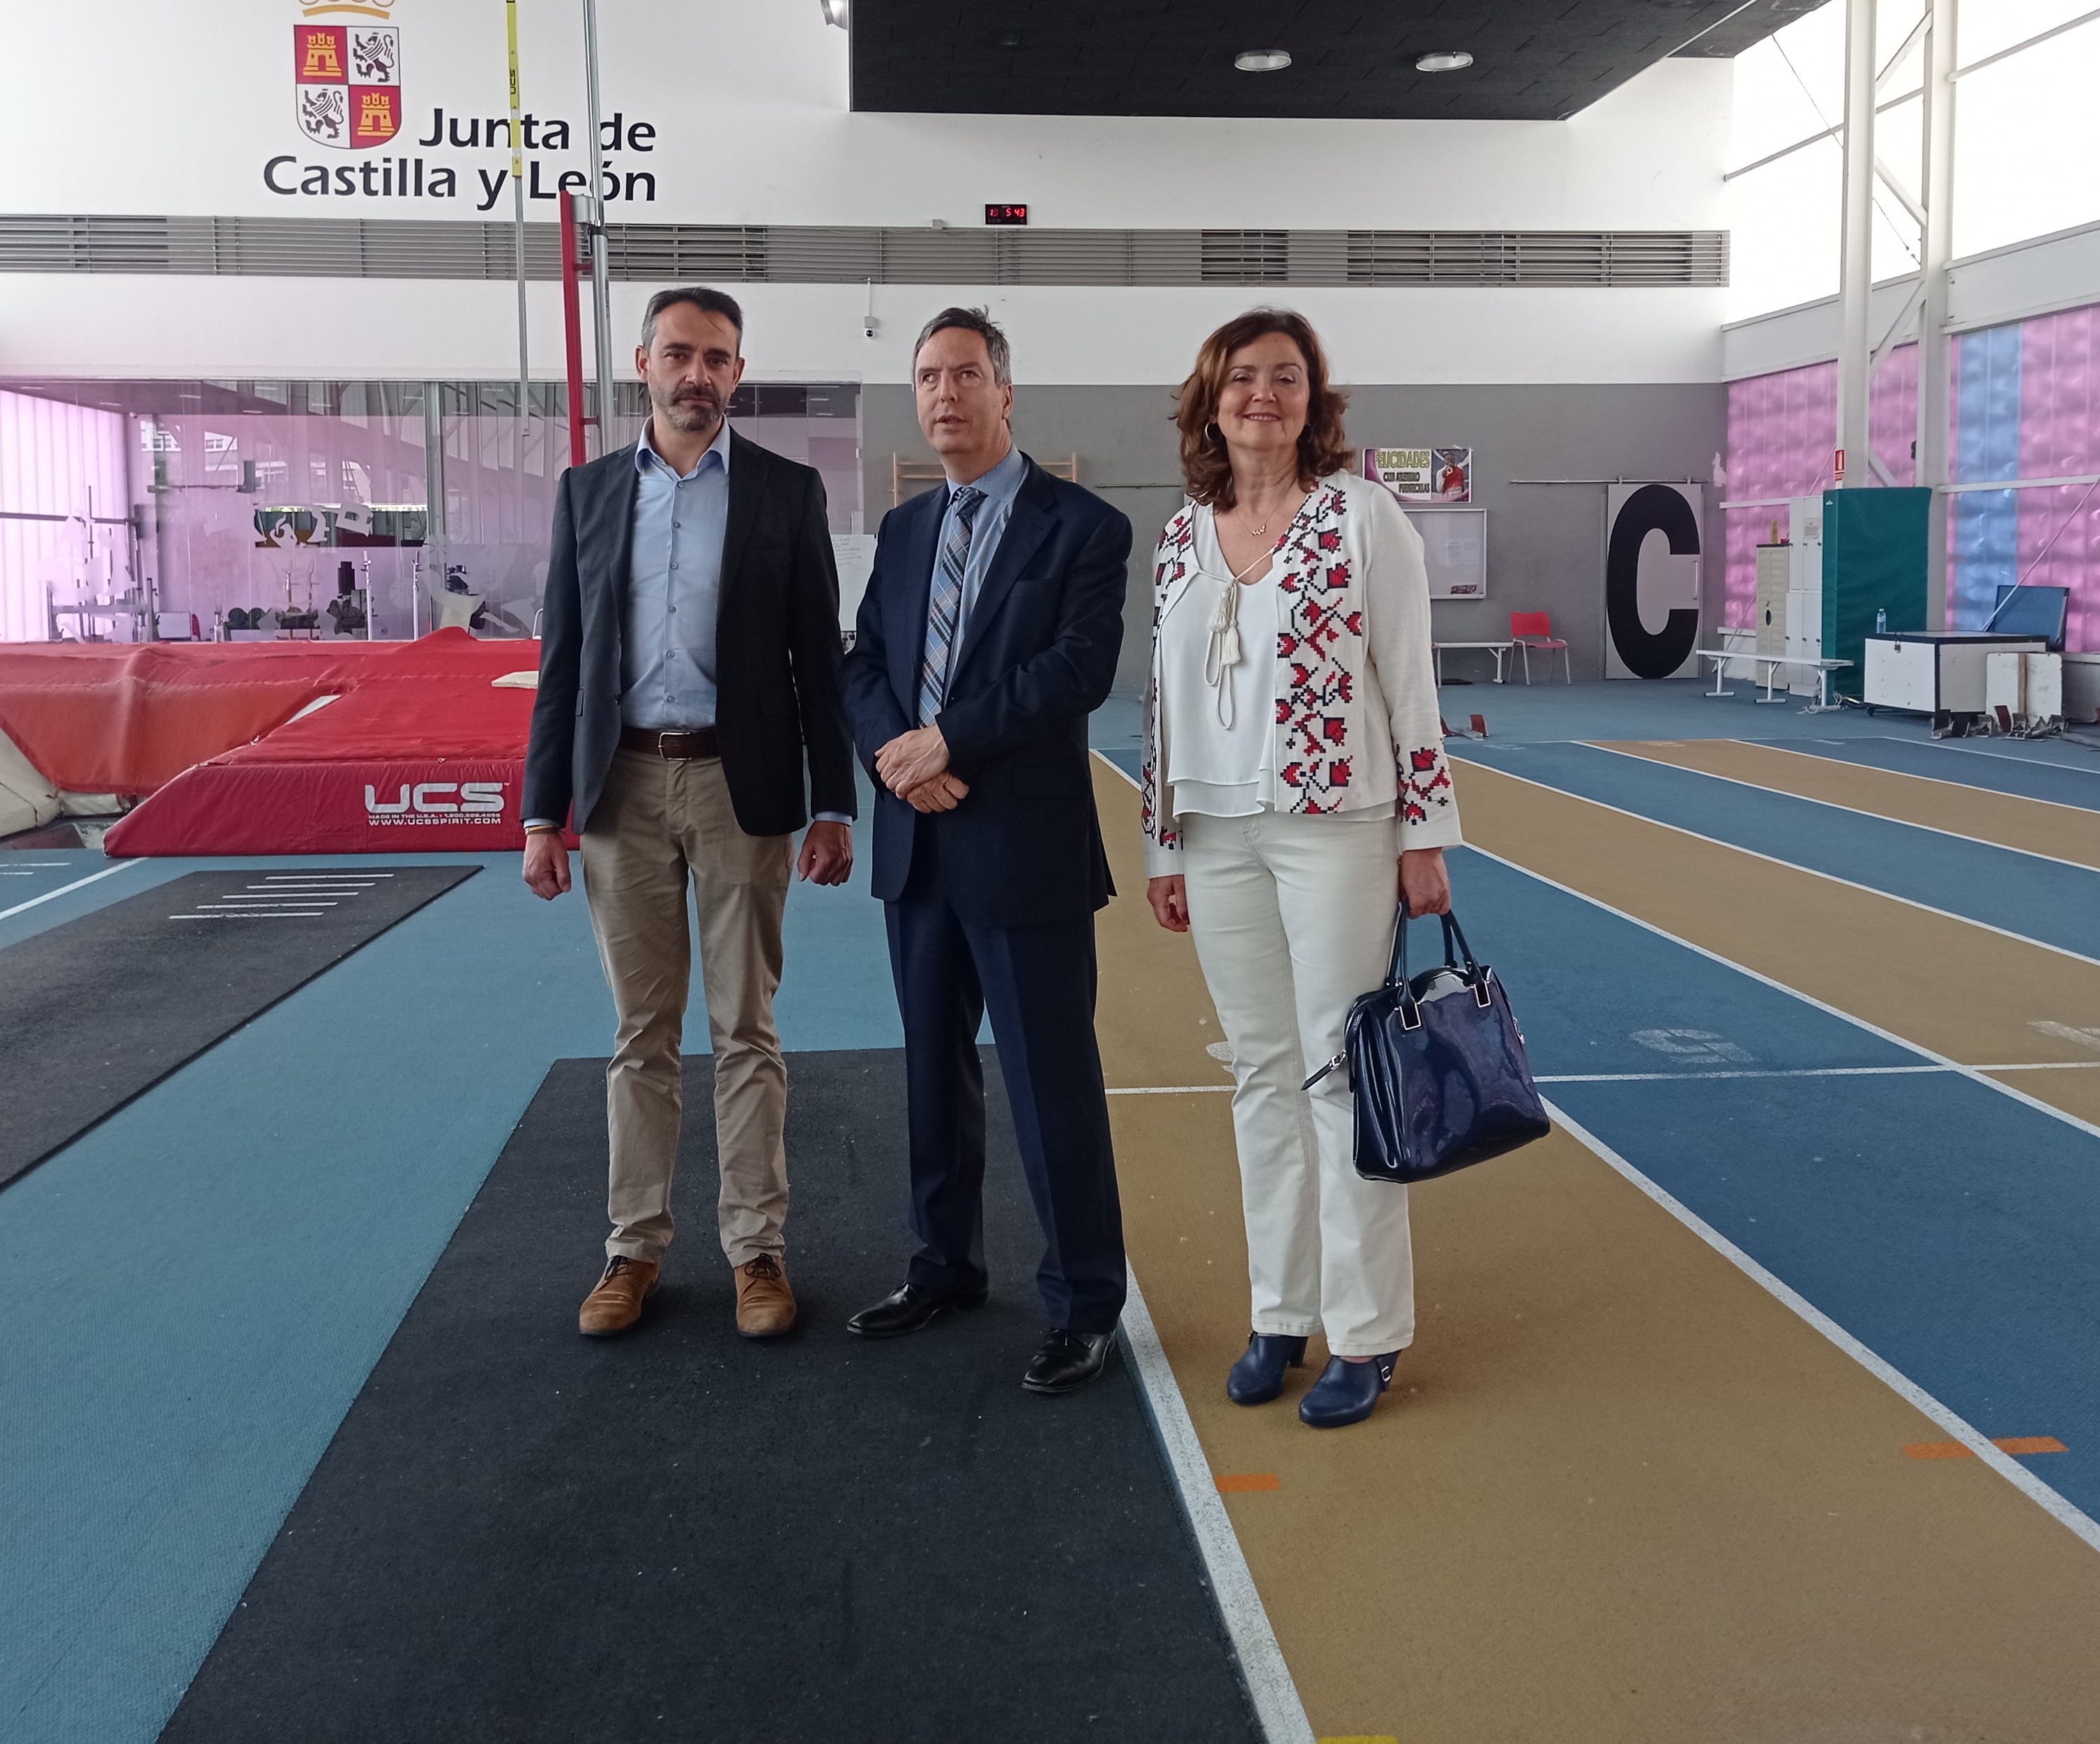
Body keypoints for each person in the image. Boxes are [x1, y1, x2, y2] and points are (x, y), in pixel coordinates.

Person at [1137, 308, 1460, 1429]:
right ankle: (1280, 1311)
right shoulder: (1185, 531)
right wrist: (1164, 839)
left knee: (1339, 1074)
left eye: (1284, 378)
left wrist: (1427, 835)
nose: (1260, 396)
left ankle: (1366, 1332)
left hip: (1339, 826)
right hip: (1216, 833)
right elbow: (1163, 700)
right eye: (1240, 379)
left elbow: (1409, 686)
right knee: (1260, 1077)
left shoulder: (1364, 518)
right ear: (1210, 399)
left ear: (1314, 399)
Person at [520, 285, 857, 1343]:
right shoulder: (586, 494)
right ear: (643, 363)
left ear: (737, 374)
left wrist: (833, 801)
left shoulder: (784, 491)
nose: (696, 374)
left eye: (716, 358)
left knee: (747, 1027)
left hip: (738, 786)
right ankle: (634, 1250)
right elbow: (562, 662)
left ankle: (758, 1251)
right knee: (640, 1035)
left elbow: (818, 660)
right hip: (619, 785)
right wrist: (543, 813)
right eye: (678, 354)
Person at [841, 306, 1134, 1395]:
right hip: (918, 845)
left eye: (966, 374)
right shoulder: (906, 530)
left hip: (1026, 851)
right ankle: (944, 1266)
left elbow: (1076, 671)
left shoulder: (1085, 529)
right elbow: (861, 661)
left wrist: (948, 740)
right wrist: (896, 755)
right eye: (928, 376)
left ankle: (1083, 1302)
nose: (945, 394)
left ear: (1007, 393)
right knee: (932, 1073)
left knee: (1050, 1081)